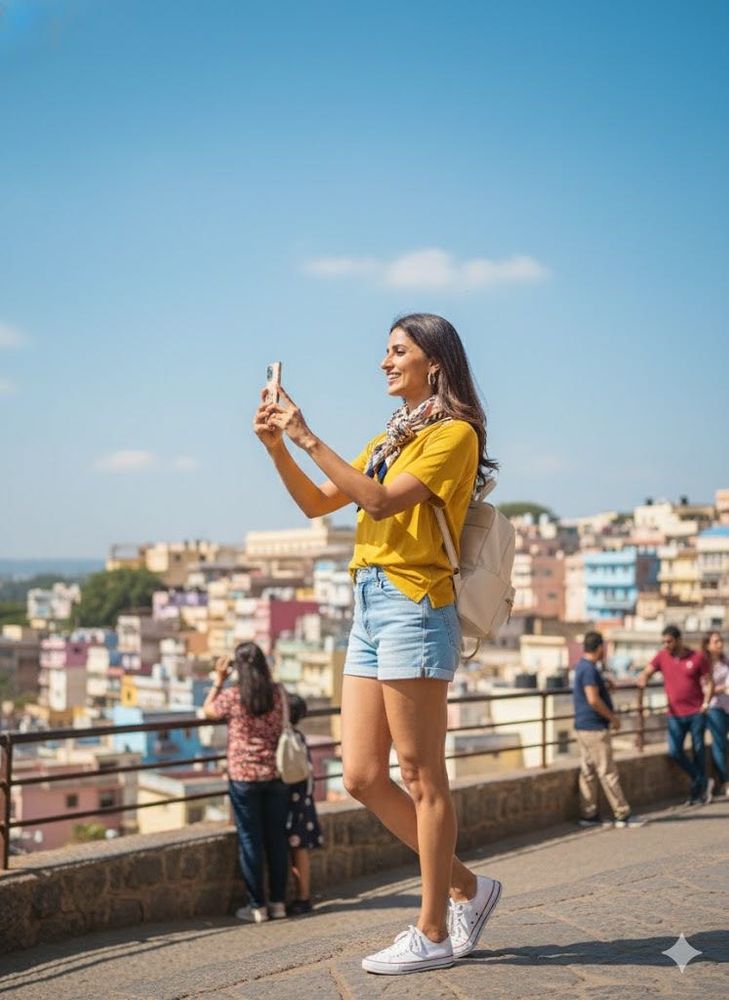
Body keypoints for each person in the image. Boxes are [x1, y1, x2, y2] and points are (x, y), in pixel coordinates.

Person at [254, 313, 503, 975]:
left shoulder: (453, 436)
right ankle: (469, 888)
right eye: (386, 351)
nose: (385, 362)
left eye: (398, 351)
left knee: (422, 774)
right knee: (362, 775)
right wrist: (278, 447)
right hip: (369, 604)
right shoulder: (389, 437)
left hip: (414, 604)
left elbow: (382, 501)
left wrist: (307, 435)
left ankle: (433, 932)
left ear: (434, 362)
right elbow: (317, 504)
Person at [203, 642, 289, 923]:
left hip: (243, 776)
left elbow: (208, 710)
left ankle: (257, 907)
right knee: (277, 839)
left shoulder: (233, 696)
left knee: (250, 840)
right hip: (276, 773)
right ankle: (279, 903)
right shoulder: (279, 693)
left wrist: (219, 680)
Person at [637, 625, 714, 805]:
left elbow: (709, 682)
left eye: (669, 641)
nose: (666, 645)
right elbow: (647, 671)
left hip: (696, 712)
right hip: (674, 714)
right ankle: (701, 780)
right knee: (675, 751)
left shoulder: (697, 657)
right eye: (664, 642)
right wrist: (643, 679)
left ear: (679, 640)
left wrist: (706, 704)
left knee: (698, 750)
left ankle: (698, 793)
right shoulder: (662, 656)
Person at [572, 631, 641, 828]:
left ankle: (589, 814)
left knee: (588, 771)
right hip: (594, 728)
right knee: (607, 772)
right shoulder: (589, 670)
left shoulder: (584, 667)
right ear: (600, 648)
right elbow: (593, 699)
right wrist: (613, 718)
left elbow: (593, 691)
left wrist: (604, 684)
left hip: (584, 726)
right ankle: (622, 814)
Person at [285, 694, 323, 915]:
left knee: (298, 850)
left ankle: (303, 896)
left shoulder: (287, 738)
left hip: (293, 802)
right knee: (299, 850)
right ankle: (303, 896)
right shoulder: (298, 736)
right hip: (303, 801)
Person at [702, 631, 729, 796]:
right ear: (708, 645)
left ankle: (716, 779)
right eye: (716, 641)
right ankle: (725, 782)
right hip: (714, 707)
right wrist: (722, 689)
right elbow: (704, 689)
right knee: (719, 744)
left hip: (727, 705)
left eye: (721, 641)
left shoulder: (726, 661)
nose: (720, 644)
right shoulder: (705, 664)